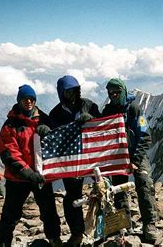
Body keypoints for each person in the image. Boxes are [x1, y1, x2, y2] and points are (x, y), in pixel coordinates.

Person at [0, 84, 62, 247]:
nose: (29, 101)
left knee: (49, 212)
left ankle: (54, 239)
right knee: (10, 215)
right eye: (25, 99)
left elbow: (59, 138)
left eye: (31, 98)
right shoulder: (10, 125)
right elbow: (9, 154)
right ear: (19, 101)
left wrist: (50, 130)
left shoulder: (44, 119)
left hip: (41, 175)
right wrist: (29, 174)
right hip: (19, 179)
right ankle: (1, 243)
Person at [101, 78, 158, 243]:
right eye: (111, 93)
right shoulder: (107, 112)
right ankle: (123, 224)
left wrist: (135, 159)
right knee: (119, 190)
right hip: (117, 158)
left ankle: (150, 223)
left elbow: (145, 136)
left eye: (117, 92)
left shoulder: (134, 109)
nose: (114, 95)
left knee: (144, 183)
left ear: (123, 91)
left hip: (136, 155)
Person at [48, 75, 101, 247]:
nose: (72, 94)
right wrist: (45, 130)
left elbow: (101, 127)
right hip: (71, 160)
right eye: (68, 91)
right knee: (72, 197)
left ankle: (104, 227)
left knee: (103, 190)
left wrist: (91, 120)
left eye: (74, 90)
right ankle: (77, 233)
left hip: (92, 157)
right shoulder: (55, 114)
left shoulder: (89, 105)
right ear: (61, 93)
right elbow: (53, 136)